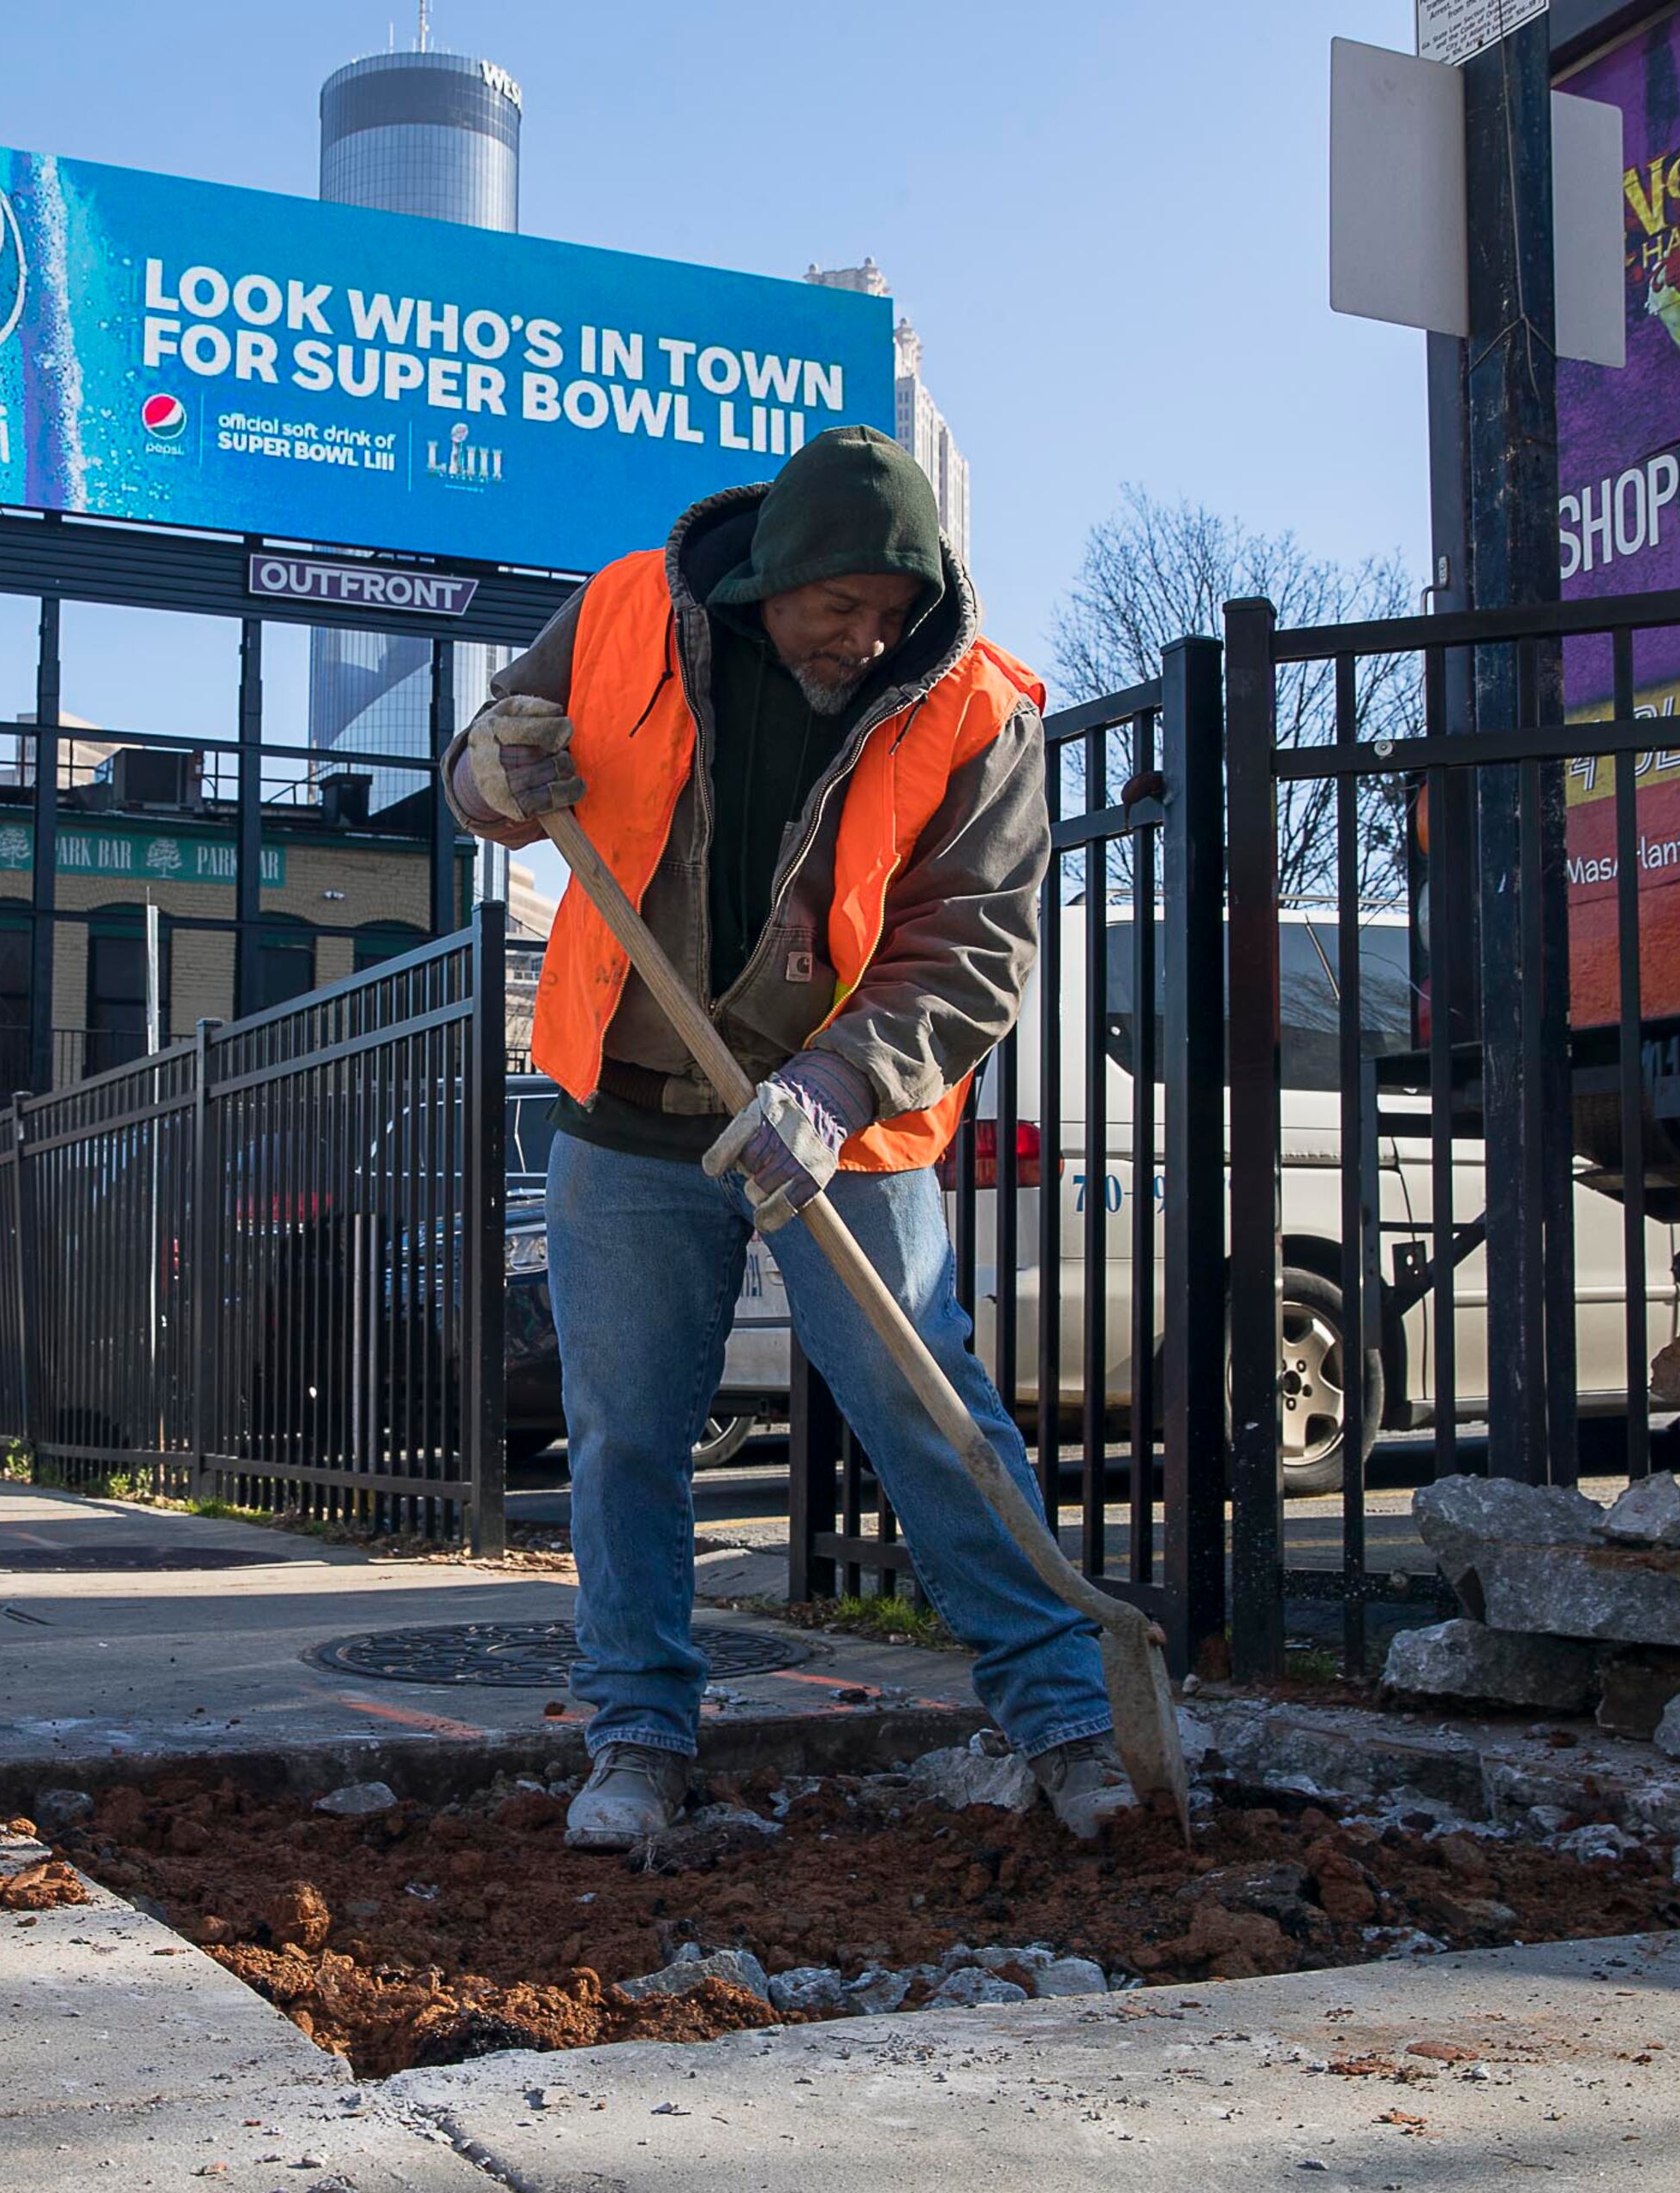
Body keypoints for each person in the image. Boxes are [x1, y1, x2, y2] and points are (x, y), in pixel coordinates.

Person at [441, 426, 1132, 1849]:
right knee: (626, 1437)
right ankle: (637, 1742)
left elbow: (975, 942)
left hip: (842, 1125)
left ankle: (1068, 1717)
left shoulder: (978, 707)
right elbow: (490, 766)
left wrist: (835, 1084)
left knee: (931, 1416)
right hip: (631, 1112)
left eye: (894, 613)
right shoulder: (627, 608)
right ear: (771, 579)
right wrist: (491, 779)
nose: (868, 638)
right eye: (841, 608)